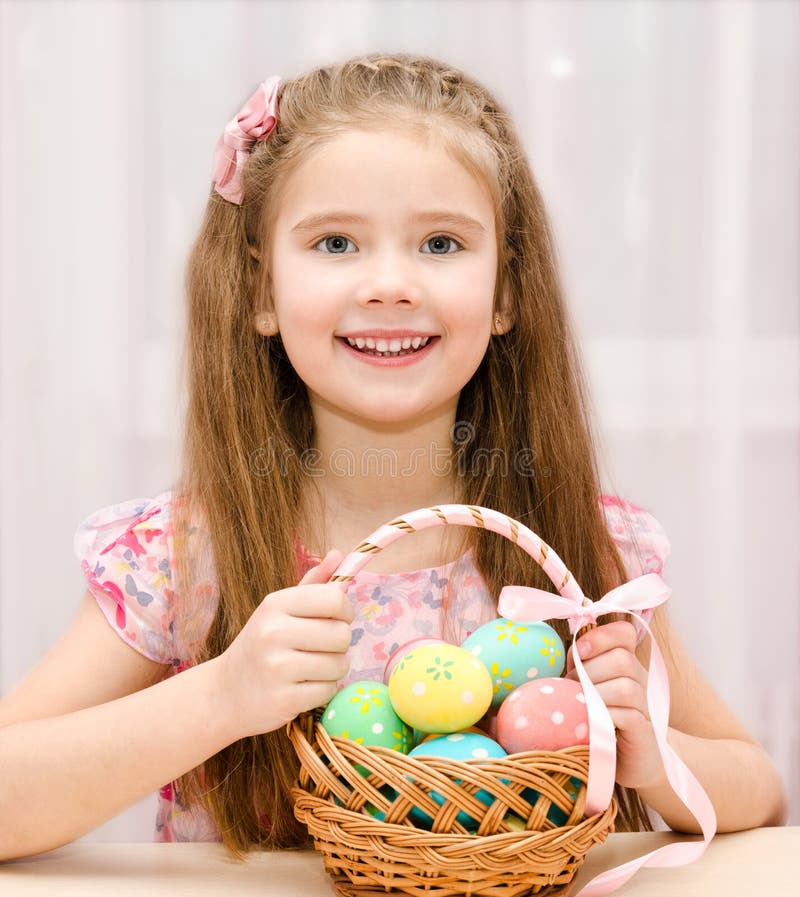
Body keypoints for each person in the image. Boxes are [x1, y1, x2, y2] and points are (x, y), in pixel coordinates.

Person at [0, 52, 786, 860]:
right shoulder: (180, 554)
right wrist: (221, 697)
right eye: (335, 242)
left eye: (441, 243)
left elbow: (757, 785)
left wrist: (657, 759)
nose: (389, 284)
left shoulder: (581, 556)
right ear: (262, 291)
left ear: (506, 293)